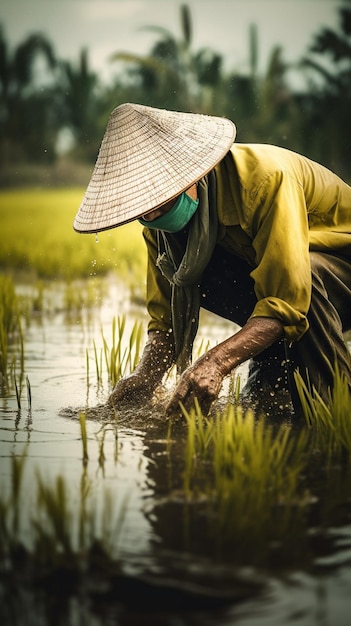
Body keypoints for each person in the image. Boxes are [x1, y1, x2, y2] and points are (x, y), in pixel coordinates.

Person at [74, 102, 351, 416]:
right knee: (264, 410)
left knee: (307, 276)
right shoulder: (160, 230)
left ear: (191, 174)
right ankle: (273, 376)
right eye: (142, 207)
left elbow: (285, 298)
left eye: (159, 199)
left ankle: (336, 408)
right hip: (284, 289)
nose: (151, 214)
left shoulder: (266, 181)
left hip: (338, 271)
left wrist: (216, 362)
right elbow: (165, 321)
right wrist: (145, 377)